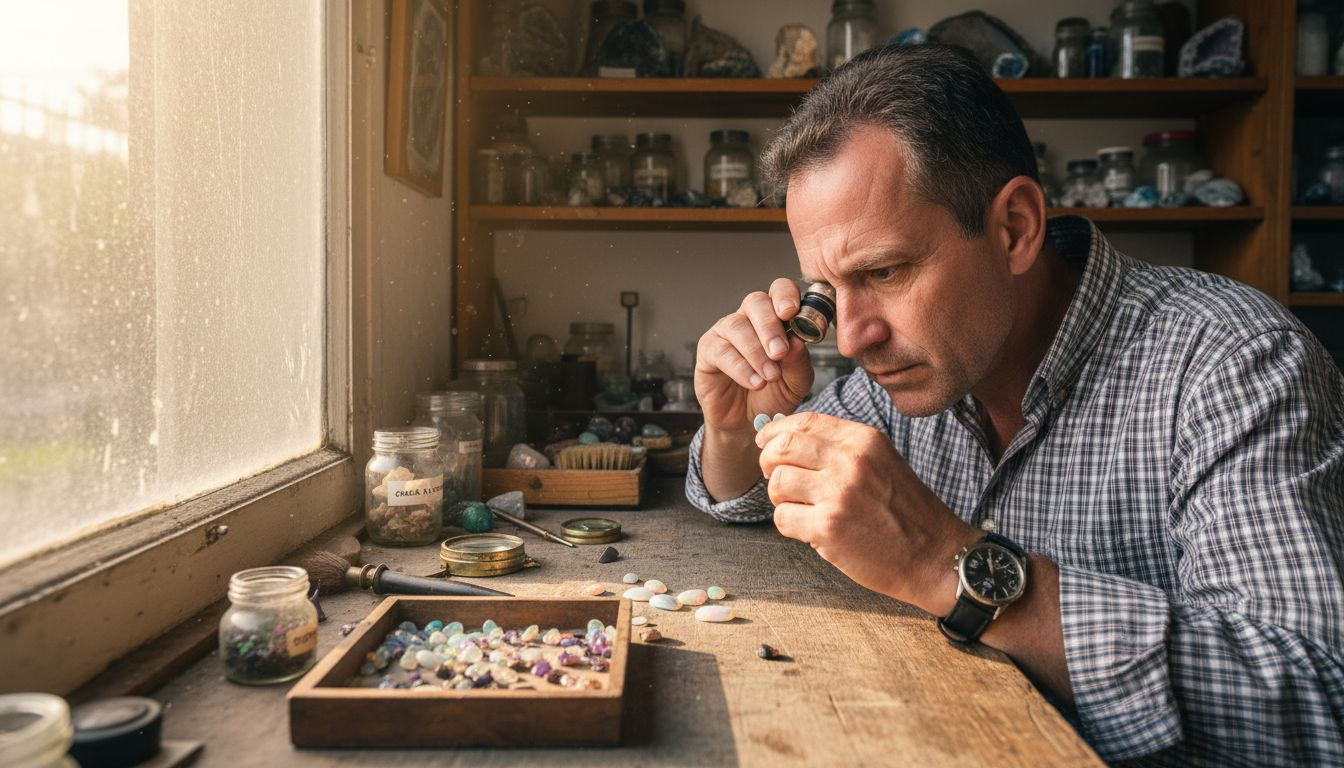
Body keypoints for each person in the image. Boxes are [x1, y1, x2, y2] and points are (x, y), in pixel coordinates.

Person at [686, 43, 1344, 766]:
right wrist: (733, 425)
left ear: (1016, 228)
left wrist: (949, 565)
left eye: (886, 271)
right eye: (826, 292)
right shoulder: (908, 365)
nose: (854, 335)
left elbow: (1315, 700)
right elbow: (745, 500)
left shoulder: (1232, 362)